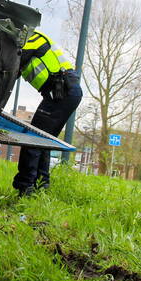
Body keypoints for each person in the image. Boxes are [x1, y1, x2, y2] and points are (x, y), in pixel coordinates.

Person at [12, 29, 83, 196]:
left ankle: (26, 186)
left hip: (62, 91)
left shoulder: (34, 38)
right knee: (43, 141)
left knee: (33, 138)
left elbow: (15, 58)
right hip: (63, 93)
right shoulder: (32, 41)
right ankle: (40, 186)